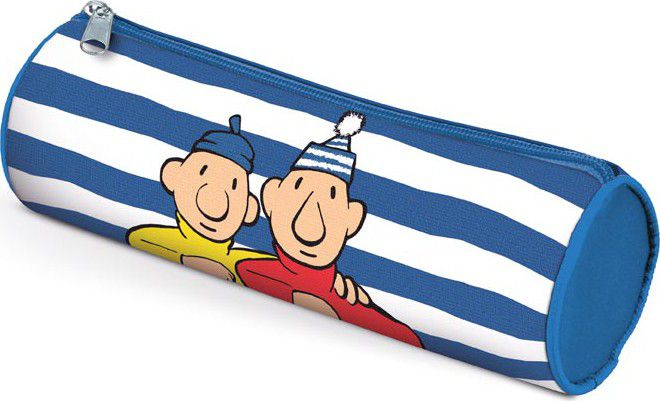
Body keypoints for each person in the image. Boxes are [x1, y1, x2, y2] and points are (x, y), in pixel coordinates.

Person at [236, 112, 422, 347]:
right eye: (299, 187)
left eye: (332, 196)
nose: (310, 219)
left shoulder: (351, 301)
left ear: (352, 218)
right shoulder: (245, 266)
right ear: (272, 196)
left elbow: (409, 338)